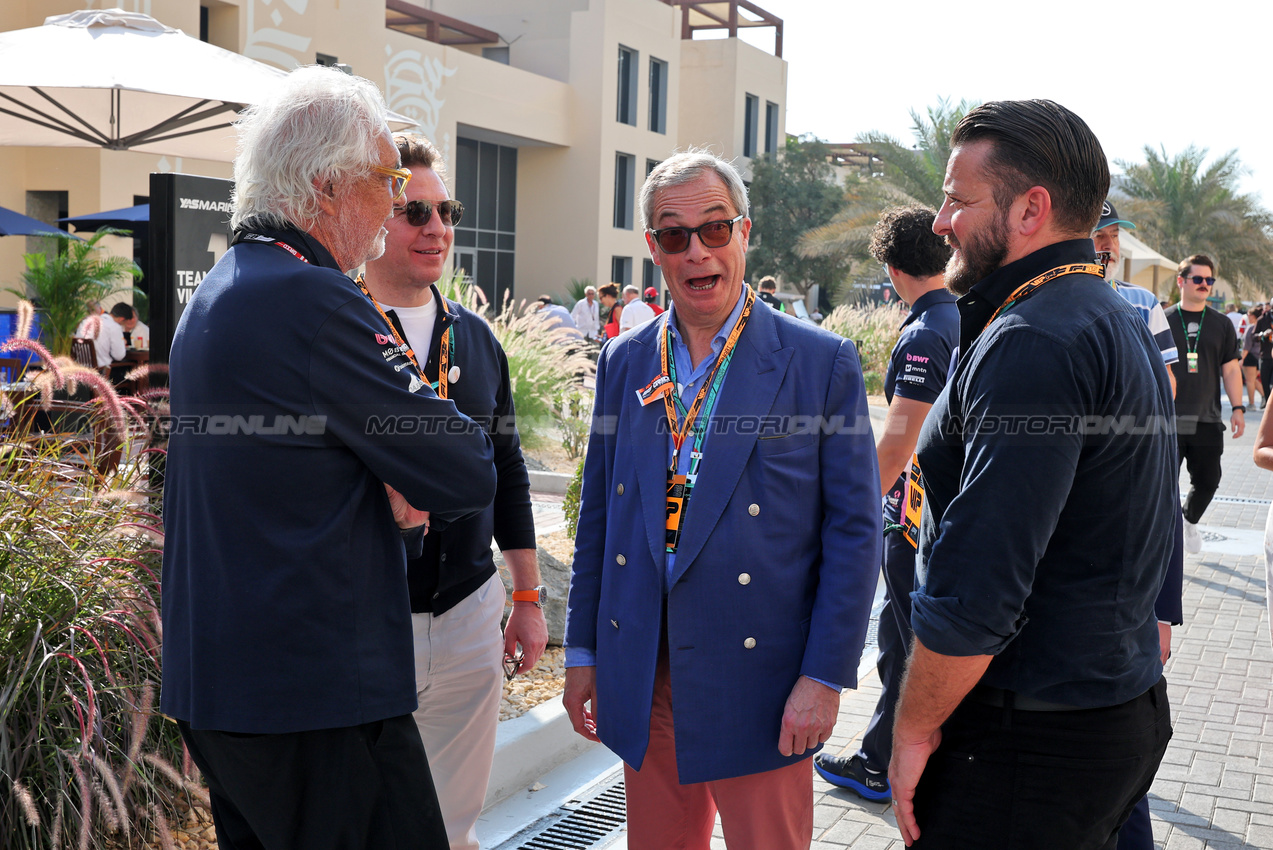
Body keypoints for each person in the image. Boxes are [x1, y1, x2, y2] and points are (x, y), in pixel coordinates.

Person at [161, 66, 498, 850]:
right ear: (324, 187)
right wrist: (393, 478)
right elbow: (463, 467)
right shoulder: (312, 298)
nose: (392, 204)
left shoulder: (221, 290)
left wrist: (381, 473)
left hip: (230, 686)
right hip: (316, 693)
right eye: (386, 180)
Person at [562, 150, 881, 850]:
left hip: (759, 682)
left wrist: (824, 677)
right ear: (653, 248)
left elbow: (855, 532)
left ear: (743, 232)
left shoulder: (818, 362)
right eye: (674, 236)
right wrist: (582, 650)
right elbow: (599, 517)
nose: (696, 251)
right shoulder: (624, 360)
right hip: (646, 673)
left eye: (714, 229)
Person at [889, 100, 1175, 849]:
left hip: (1031, 741)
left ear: (1030, 209)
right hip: (1105, 711)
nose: (941, 220)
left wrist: (910, 728)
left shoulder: (1033, 339)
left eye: (956, 198)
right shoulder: (1105, 316)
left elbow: (980, 581)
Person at [360, 133, 547, 850]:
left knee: (450, 823)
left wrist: (526, 600)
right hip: (368, 618)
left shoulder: (476, 339)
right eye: (414, 211)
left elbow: (509, 471)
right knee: (369, 818)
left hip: (470, 610)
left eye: (448, 212)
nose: (435, 228)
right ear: (377, 217)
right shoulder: (336, 330)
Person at [813, 206, 956, 803]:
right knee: (909, 635)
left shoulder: (925, 332)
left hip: (920, 518)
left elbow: (899, 439)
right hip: (952, 512)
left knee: (902, 638)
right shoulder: (966, 314)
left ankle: (878, 763)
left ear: (894, 271)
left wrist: (851, 508)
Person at [1092, 202, 1187, 850]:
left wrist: (1163, 608)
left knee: (1119, 776)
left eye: (1106, 232)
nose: (1101, 243)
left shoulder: (1136, 306)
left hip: (1116, 600)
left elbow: (1162, 481)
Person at [1166, 254, 1244, 554]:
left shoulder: (1223, 324)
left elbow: (1231, 369)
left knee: (1209, 481)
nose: (1204, 285)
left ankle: (1188, 519)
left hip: (1207, 420)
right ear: (1181, 281)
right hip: (1168, 420)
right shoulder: (1163, 320)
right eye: (1197, 279)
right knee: (1161, 485)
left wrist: (1237, 408)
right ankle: (1164, 536)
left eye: (1209, 280)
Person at [1092, 200, 1178, 395]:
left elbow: (1167, 377)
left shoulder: (1145, 303)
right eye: (1098, 236)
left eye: (1115, 236)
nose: (1110, 245)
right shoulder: (1060, 301)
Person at [76, 299, 125, 368]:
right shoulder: (113, 326)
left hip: (80, 370)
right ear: (100, 309)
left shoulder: (83, 323)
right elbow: (119, 356)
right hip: (101, 371)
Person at [1242, 306, 1263, 409]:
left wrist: (1241, 359)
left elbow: (1247, 346)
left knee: (1249, 381)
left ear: (1253, 316)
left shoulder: (1251, 328)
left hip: (1250, 356)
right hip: (1259, 356)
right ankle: (1264, 396)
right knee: (1253, 380)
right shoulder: (1261, 327)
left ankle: (1251, 403)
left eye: (1248, 315)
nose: (1247, 317)